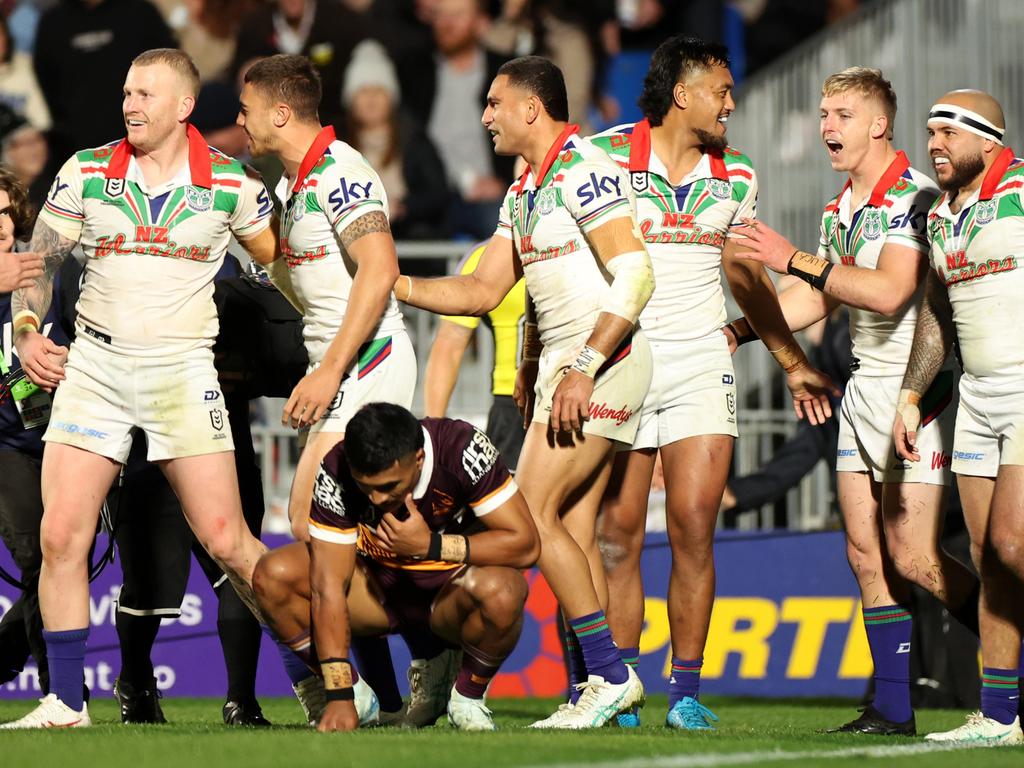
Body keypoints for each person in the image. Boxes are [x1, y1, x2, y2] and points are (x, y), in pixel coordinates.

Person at [0, 48, 277, 729]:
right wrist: (29, 329)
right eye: (127, 92)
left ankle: (325, 677)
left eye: (145, 94)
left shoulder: (234, 186)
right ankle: (66, 703)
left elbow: (285, 270)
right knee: (62, 536)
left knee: (230, 542)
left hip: (182, 371)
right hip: (94, 369)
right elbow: (39, 264)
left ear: (184, 105)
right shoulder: (87, 172)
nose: (130, 105)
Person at [586, 36, 838, 730]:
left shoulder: (738, 175)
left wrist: (789, 360)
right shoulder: (601, 158)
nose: (732, 102)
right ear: (682, 93)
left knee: (697, 527)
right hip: (624, 360)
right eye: (721, 91)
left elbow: (743, 277)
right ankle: (620, 686)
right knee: (619, 533)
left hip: (700, 361)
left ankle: (687, 690)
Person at [397, 55, 654, 729]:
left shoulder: (586, 168)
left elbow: (635, 275)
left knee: (533, 517)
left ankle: (607, 676)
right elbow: (483, 290)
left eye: (493, 103)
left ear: (531, 108)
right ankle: (601, 679)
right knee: (562, 526)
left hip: (603, 367)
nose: (484, 116)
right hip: (563, 377)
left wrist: (583, 366)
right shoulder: (525, 192)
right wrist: (393, 284)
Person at [733, 68, 980, 736]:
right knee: (865, 555)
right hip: (864, 388)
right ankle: (893, 709)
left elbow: (890, 291)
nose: (826, 127)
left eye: (841, 114)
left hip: (917, 390)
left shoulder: (916, 195)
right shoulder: (842, 204)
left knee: (913, 557)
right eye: (821, 114)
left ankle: (1006, 636)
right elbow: (821, 296)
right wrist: (739, 330)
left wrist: (790, 258)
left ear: (878, 124)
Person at [253, 402, 539, 732]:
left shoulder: (461, 447)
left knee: (504, 591)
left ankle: (466, 699)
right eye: (366, 486)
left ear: (418, 459)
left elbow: (526, 544)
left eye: (389, 486)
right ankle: (359, 696)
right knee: (271, 575)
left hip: (450, 596)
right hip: (376, 594)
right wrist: (339, 695)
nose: (375, 499)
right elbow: (327, 585)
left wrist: (431, 546)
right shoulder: (336, 466)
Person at [893, 89, 1024, 745]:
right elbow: (936, 316)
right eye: (930, 131)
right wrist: (913, 395)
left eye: (947, 131)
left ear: (988, 141)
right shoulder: (938, 218)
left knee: (1012, 542)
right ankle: (1001, 715)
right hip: (977, 398)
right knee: (986, 558)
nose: (934, 143)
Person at [0, 165, 67, 696]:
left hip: (61, 434)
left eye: (4, 212)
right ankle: (60, 688)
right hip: (4, 444)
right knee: (34, 554)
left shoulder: (46, 269)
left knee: (58, 557)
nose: (0, 223)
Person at [424, 240, 527, 469]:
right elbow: (448, 346)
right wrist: (434, 432)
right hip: (512, 405)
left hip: (578, 391)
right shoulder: (486, 256)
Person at [341, 40, 449, 240]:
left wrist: (403, 207)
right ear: (351, 101)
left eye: (379, 90)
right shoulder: (338, 148)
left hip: (408, 238)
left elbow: (438, 194)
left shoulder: (414, 141)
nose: (371, 99)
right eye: (363, 91)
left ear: (391, 98)